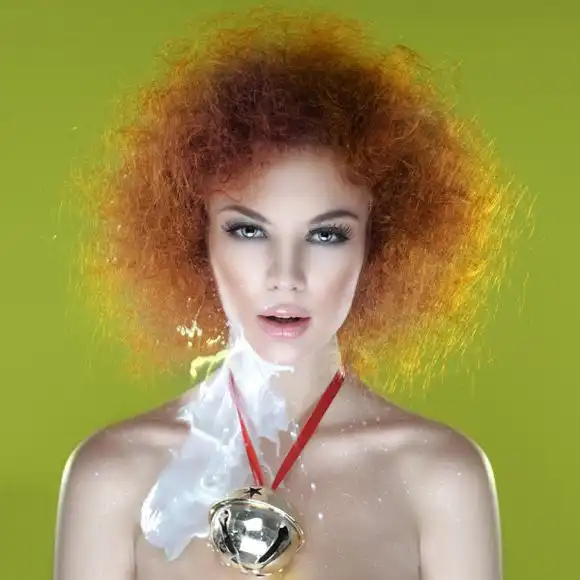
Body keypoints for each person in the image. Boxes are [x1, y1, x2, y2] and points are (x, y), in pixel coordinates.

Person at [55, 6, 520, 580]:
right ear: (195, 237)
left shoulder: (440, 478)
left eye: (326, 235)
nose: (286, 275)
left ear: (379, 244)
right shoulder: (114, 476)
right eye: (249, 230)